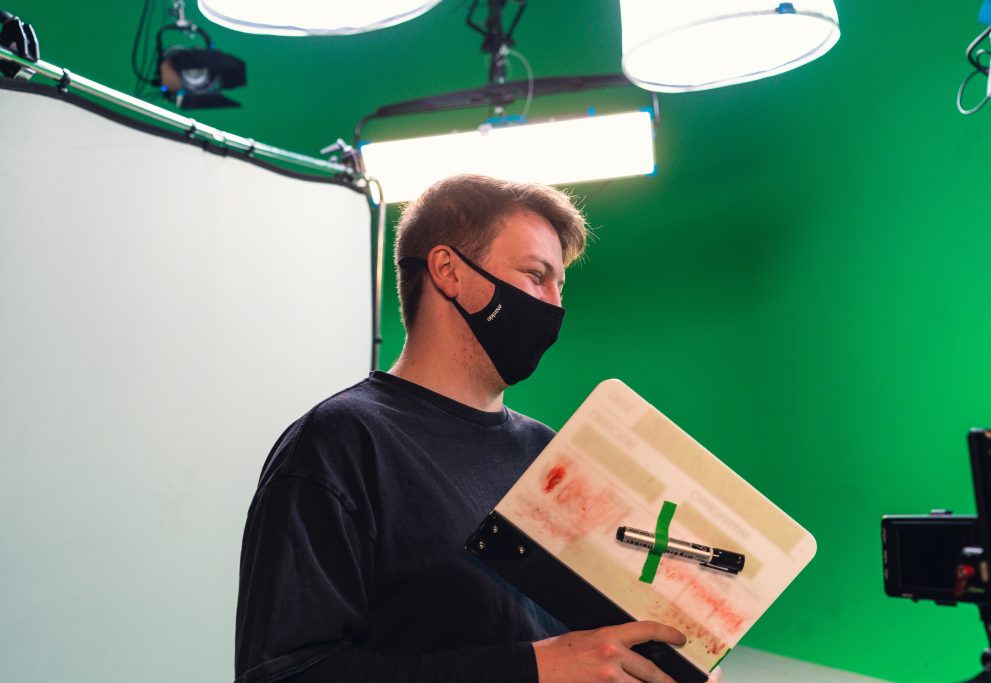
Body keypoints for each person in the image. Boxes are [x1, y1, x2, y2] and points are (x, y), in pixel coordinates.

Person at [234, 174, 701, 683]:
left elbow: (588, 645)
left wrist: (659, 666)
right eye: (535, 275)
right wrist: (534, 669)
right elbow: (284, 673)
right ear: (449, 271)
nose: (554, 306)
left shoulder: (547, 453)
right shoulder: (340, 443)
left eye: (559, 285)